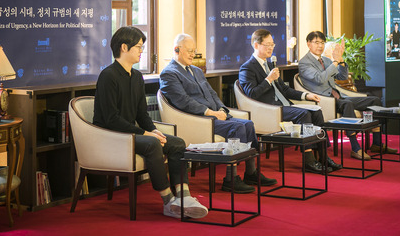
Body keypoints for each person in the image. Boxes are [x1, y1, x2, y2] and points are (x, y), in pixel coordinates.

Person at [93, 26, 207, 219]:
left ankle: (184, 196)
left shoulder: (137, 76)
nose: (141, 51)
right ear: (123, 47)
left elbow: (141, 114)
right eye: (138, 47)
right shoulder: (108, 76)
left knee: (177, 142)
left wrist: (154, 130)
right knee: (152, 143)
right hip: (113, 136)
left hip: (131, 133)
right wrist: (146, 134)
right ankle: (168, 201)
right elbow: (111, 119)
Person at [159, 33, 277, 194]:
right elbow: (182, 101)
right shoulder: (169, 73)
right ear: (177, 50)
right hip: (198, 120)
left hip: (213, 116)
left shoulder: (196, 70)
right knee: (236, 129)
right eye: (189, 51)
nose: (193, 54)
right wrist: (210, 113)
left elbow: (212, 94)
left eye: (194, 50)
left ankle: (251, 173)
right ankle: (231, 179)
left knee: (248, 125)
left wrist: (222, 110)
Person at [238, 29, 341, 173]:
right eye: (267, 45)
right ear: (256, 45)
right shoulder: (247, 68)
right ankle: (309, 160)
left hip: (284, 106)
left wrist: (306, 95)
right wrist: (269, 79)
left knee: (316, 112)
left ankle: (323, 156)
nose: (271, 48)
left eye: (272, 44)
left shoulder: (269, 65)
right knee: (303, 114)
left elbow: (285, 90)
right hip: (269, 111)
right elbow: (251, 93)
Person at [298, 31, 395, 160]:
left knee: (375, 100)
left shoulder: (326, 60)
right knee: (347, 104)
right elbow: (320, 79)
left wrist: (341, 61)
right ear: (308, 44)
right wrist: (335, 62)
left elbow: (342, 77)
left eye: (322, 42)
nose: (320, 46)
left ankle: (377, 143)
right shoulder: (304, 63)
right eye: (316, 42)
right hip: (323, 100)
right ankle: (355, 148)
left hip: (338, 97)